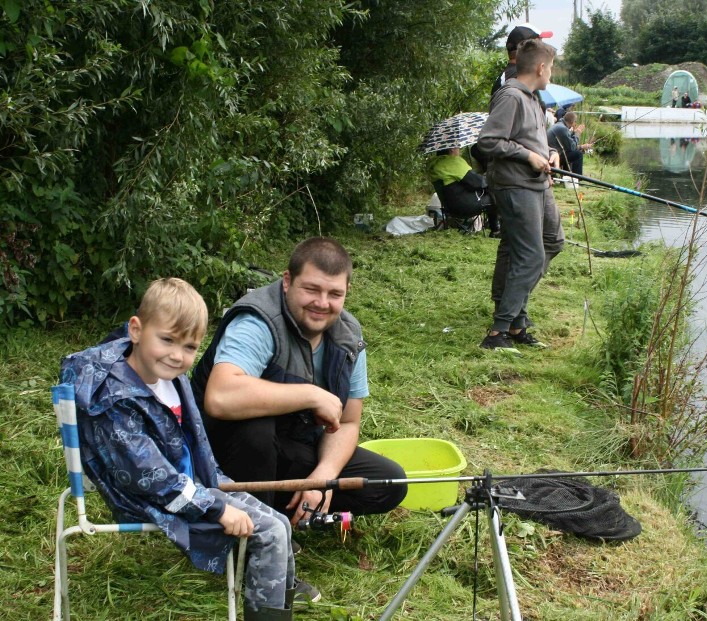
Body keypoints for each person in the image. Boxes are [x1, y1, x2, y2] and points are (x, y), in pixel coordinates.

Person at [59, 278, 307, 621]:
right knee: (269, 532)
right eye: (167, 340)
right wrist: (217, 509)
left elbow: (193, 444)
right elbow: (149, 478)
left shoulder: (170, 377)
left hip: (191, 486)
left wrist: (216, 481)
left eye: (190, 347)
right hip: (150, 497)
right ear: (136, 329)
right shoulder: (113, 399)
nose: (177, 355)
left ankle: (280, 601)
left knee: (279, 522)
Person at [191, 237, 407, 526]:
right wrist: (311, 395)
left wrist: (323, 477)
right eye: (311, 289)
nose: (322, 303)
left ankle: (283, 508)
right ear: (287, 281)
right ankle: (260, 531)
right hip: (221, 456)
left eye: (334, 294)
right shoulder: (258, 321)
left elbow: (348, 422)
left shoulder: (348, 336)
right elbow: (220, 398)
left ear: (347, 292)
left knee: (387, 482)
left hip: (290, 446)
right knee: (255, 429)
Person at [476, 38, 558, 350]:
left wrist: (550, 153)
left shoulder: (534, 99)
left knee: (551, 241)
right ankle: (499, 331)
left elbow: (533, 139)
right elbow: (488, 142)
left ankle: (515, 320)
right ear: (540, 67)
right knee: (531, 254)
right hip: (515, 184)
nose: (550, 73)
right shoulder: (510, 96)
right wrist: (527, 157)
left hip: (536, 182)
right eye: (550, 68)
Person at [428, 147, 500, 235]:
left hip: (449, 209)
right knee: (496, 195)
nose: (459, 150)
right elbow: (477, 183)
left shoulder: (435, 165)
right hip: (465, 207)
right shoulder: (453, 162)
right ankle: (496, 230)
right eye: (457, 147)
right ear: (452, 149)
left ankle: (495, 227)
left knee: (489, 192)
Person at [547, 111, 592, 177]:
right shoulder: (562, 128)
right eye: (575, 122)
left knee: (568, 152)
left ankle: (567, 177)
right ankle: (577, 178)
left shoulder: (559, 125)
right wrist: (577, 134)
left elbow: (568, 142)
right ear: (572, 122)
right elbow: (572, 147)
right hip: (552, 157)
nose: (575, 124)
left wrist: (574, 133)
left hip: (551, 154)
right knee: (578, 154)